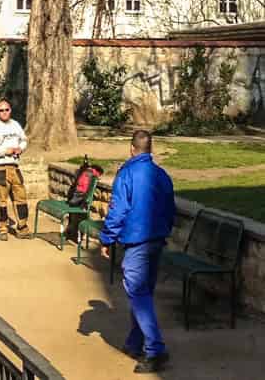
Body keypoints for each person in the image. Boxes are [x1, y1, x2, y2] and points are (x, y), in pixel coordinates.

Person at [100, 129, 176, 373]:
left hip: (137, 241)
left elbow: (118, 210)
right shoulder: (161, 175)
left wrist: (106, 239)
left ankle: (155, 350)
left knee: (138, 293)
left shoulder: (127, 174)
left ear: (131, 149)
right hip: (156, 240)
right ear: (150, 149)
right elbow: (170, 208)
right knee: (142, 294)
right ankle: (135, 342)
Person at [0, 98, 29, 238]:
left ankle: (22, 227)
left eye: (6, 109)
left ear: (10, 110)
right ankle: (2, 228)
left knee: (21, 198)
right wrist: (5, 151)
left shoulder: (15, 125)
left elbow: (24, 140)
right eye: (1, 110)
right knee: (1, 201)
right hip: (0, 168)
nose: (4, 112)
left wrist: (20, 149)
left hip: (14, 167)